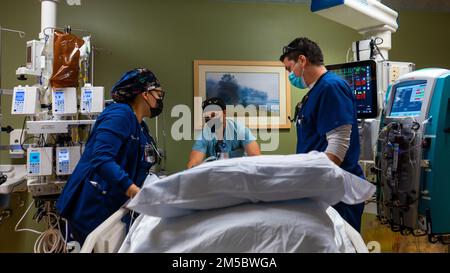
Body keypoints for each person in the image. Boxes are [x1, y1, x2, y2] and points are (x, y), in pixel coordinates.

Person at [56, 68, 164, 244]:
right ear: (145, 94)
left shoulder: (140, 127)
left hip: (112, 205)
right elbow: (102, 158)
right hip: (91, 208)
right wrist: (134, 191)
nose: (159, 98)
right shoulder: (119, 114)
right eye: (157, 93)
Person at [280, 37, 365, 232]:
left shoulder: (331, 86)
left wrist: (314, 181)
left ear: (302, 60)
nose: (289, 75)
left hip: (335, 190)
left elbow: (338, 144)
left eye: (289, 68)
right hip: (323, 186)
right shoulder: (315, 91)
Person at [187, 97, 261, 168]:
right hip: (216, 174)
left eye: (213, 115)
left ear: (224, 112)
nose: (210, 119)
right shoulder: (204, 135)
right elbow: (194, 162)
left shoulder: (240, 130)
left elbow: (255, 157)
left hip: (239, 173)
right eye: (207, 116)